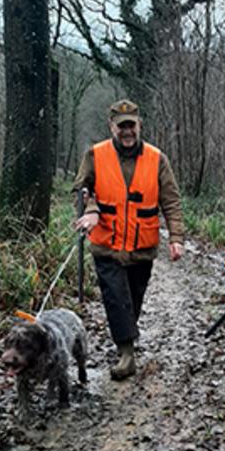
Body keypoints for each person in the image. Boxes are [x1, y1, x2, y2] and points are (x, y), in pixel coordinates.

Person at [73, 99, 184, 380]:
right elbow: (82, 188)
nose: (127, 131)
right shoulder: (95, 155)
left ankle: (126, 339)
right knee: (115, 296)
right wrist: (91, 210)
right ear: (111, 126)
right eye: (121, 126)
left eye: (131, 125)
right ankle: (126, 354)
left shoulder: (158, 159)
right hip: (106, 243)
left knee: (133, 299)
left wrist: (176, 237)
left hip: (142, 246)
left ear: (139, 125)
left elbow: (171, 201)